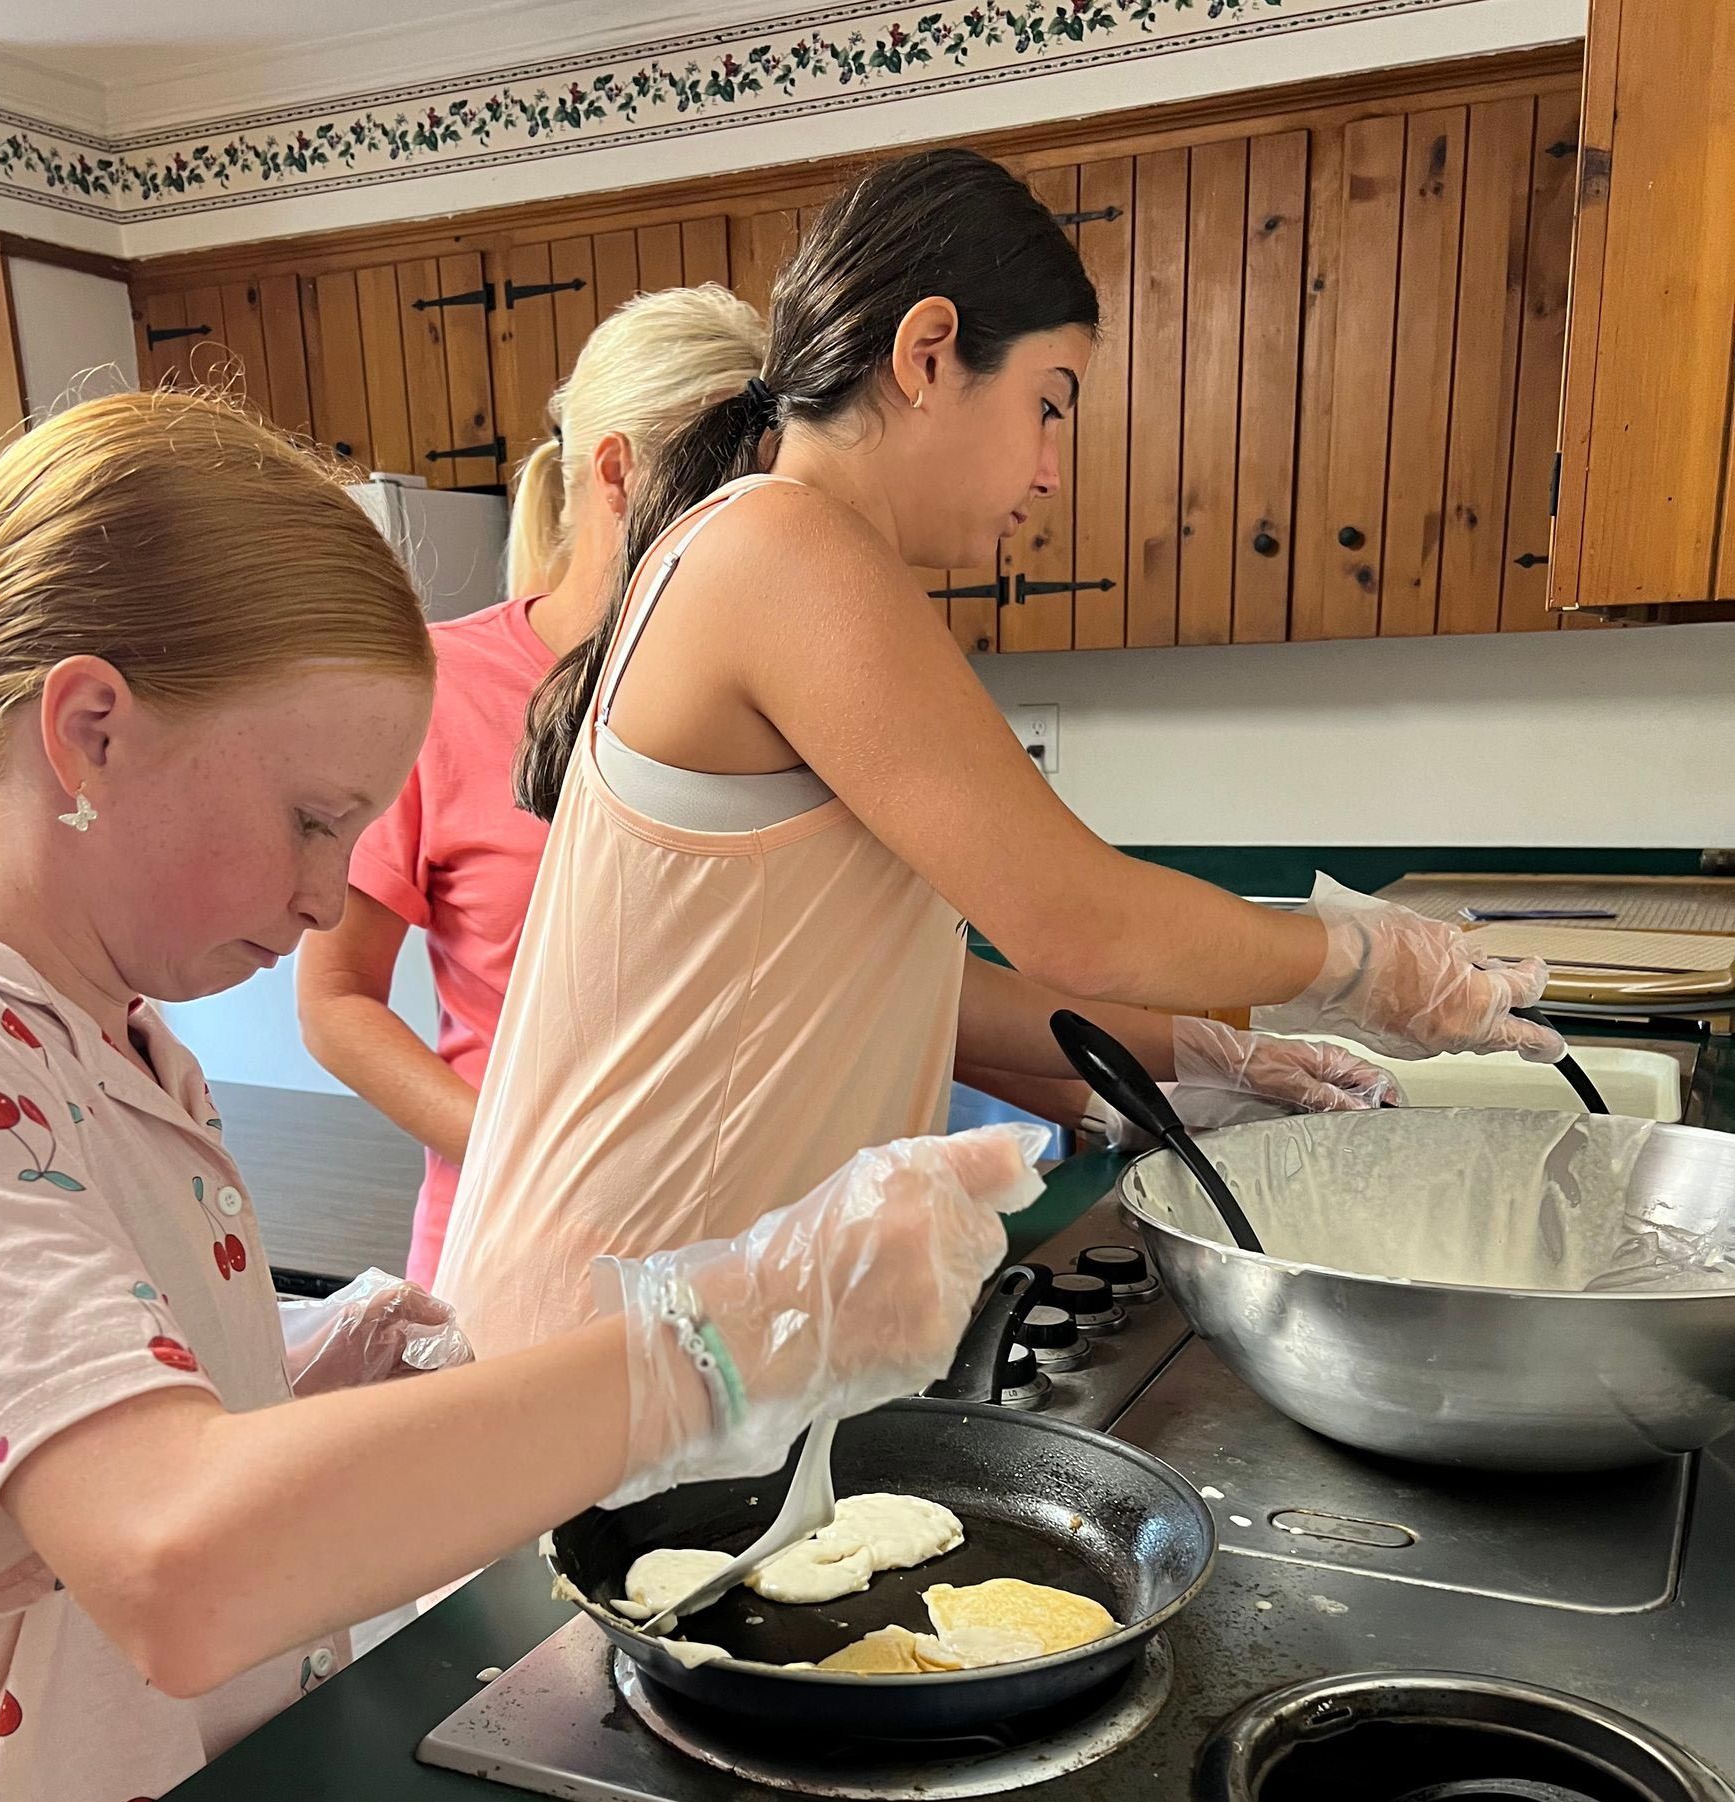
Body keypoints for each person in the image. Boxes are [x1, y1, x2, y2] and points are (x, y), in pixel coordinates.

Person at [0, 389, 1041, 1802]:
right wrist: (729, 1332)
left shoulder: (107, 1035)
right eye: (310, 819)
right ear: (87, 726)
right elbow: (166, 1560)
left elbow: (35, 1461)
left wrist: (326, 1359)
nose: (332, 891)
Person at [436, 148, 1556, 1357]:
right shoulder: (783, 551)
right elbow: (1081, 917)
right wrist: (1364, 965)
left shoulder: (778, 554)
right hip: (615, 1336)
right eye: (1050, 400)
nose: (1049, 468)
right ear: (926, 355)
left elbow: (924, 989)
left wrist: (1197, 1057)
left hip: (677, 1328)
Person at [298, 285, 767, 1285]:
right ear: (617, 475)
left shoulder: (778, 697)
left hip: (722, 1269)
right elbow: (336, 1000)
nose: (762, 539)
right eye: (727, 494)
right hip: (509, 1262)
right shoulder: (439, 689)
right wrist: (528, 1164)